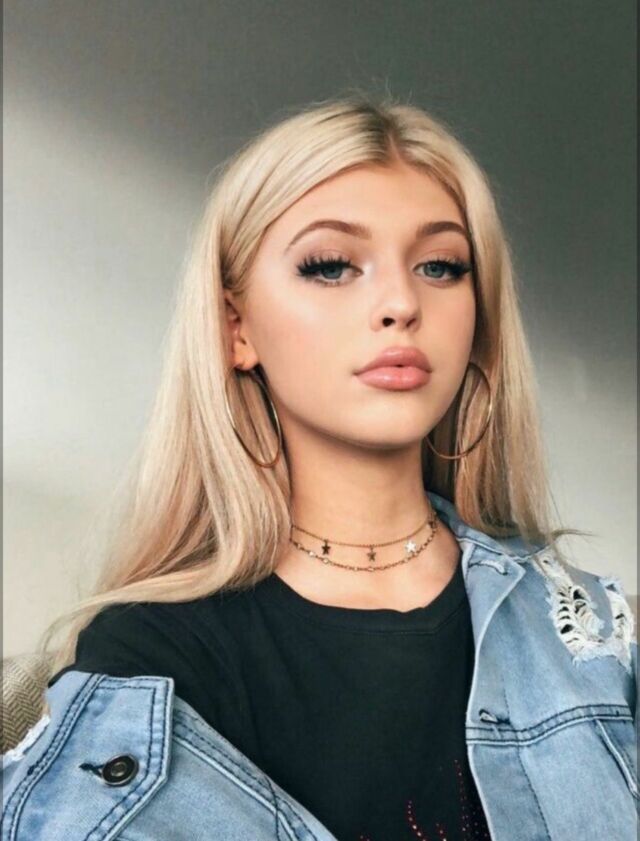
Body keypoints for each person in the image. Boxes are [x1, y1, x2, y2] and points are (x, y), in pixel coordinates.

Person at [3, 95, 637, 841]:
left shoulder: (589, 634)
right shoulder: (150, 658)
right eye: (331, 266)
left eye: (440, 266)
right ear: (236, 329)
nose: (401, 302)